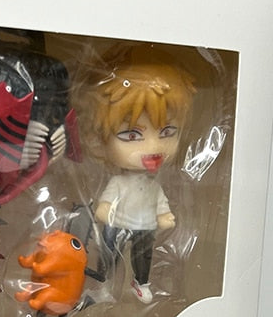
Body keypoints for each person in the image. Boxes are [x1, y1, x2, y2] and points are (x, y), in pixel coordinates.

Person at [74, 47, 195, 303]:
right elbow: (107, 201)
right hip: (117, 222)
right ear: (98, 139)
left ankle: (141, 282)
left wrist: (164, 215)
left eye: (167, 132)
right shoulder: (118, 181)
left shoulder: (153, 185)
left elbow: (160, 201)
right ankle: (103, 283)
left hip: (145, 225)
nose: (153, 147)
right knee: (109, 250)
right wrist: (104, 209)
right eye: (132, 135)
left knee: (143, 256)